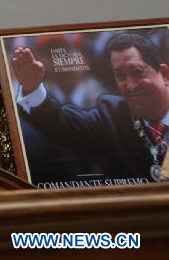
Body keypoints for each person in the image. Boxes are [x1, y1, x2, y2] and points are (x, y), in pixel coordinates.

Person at [12, 33, 169, 182]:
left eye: (137, 72)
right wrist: (32, 89)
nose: (130, 85)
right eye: (120, 76)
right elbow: (62, 124)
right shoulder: (113, 114)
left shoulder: (94, 91)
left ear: (164, 74)